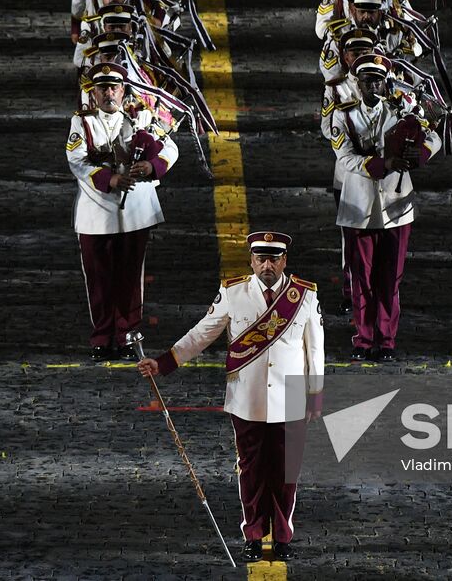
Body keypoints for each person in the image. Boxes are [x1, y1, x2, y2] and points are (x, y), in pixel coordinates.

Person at [138, 231, 324, 563]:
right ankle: (254, 535)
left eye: (274, 258)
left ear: (284, 261)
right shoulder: (233, 291)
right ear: (252, 261)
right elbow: (202, 333)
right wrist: (164, 362)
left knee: (285, 472)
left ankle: (282, 536)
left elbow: (315, 349)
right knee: (250, 470)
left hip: (291, 396)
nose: (267, 265)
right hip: (247, 397)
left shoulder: (305, 295)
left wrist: (315, 395)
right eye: (261, 258)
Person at [330, 53, 442, 360]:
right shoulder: (344, 115)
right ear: (358, 82)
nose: (374, 86)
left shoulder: (401, 109)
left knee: (390, 279)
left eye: (378, 80)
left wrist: (421, 155)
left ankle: (387, 340)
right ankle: (363, 339)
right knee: (362, 280)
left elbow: (433, 136)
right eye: (367, 80)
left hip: (396, 206)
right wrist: (383, 163)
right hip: (359, 206)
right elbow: (345, 158)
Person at [66, 62, 178, 360]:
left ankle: (127, 335)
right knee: (99, 278)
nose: (109, 93)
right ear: (94, 92)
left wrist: (152, 166)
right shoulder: (82, 122)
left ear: (123, 89)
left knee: (130, 278)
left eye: (114, 87)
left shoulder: (141, 117)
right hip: (97, 210)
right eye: (102, 88)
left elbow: (170, 148)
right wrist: (110, 178)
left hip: (135, 211)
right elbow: (76, 160)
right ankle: (102, 337)